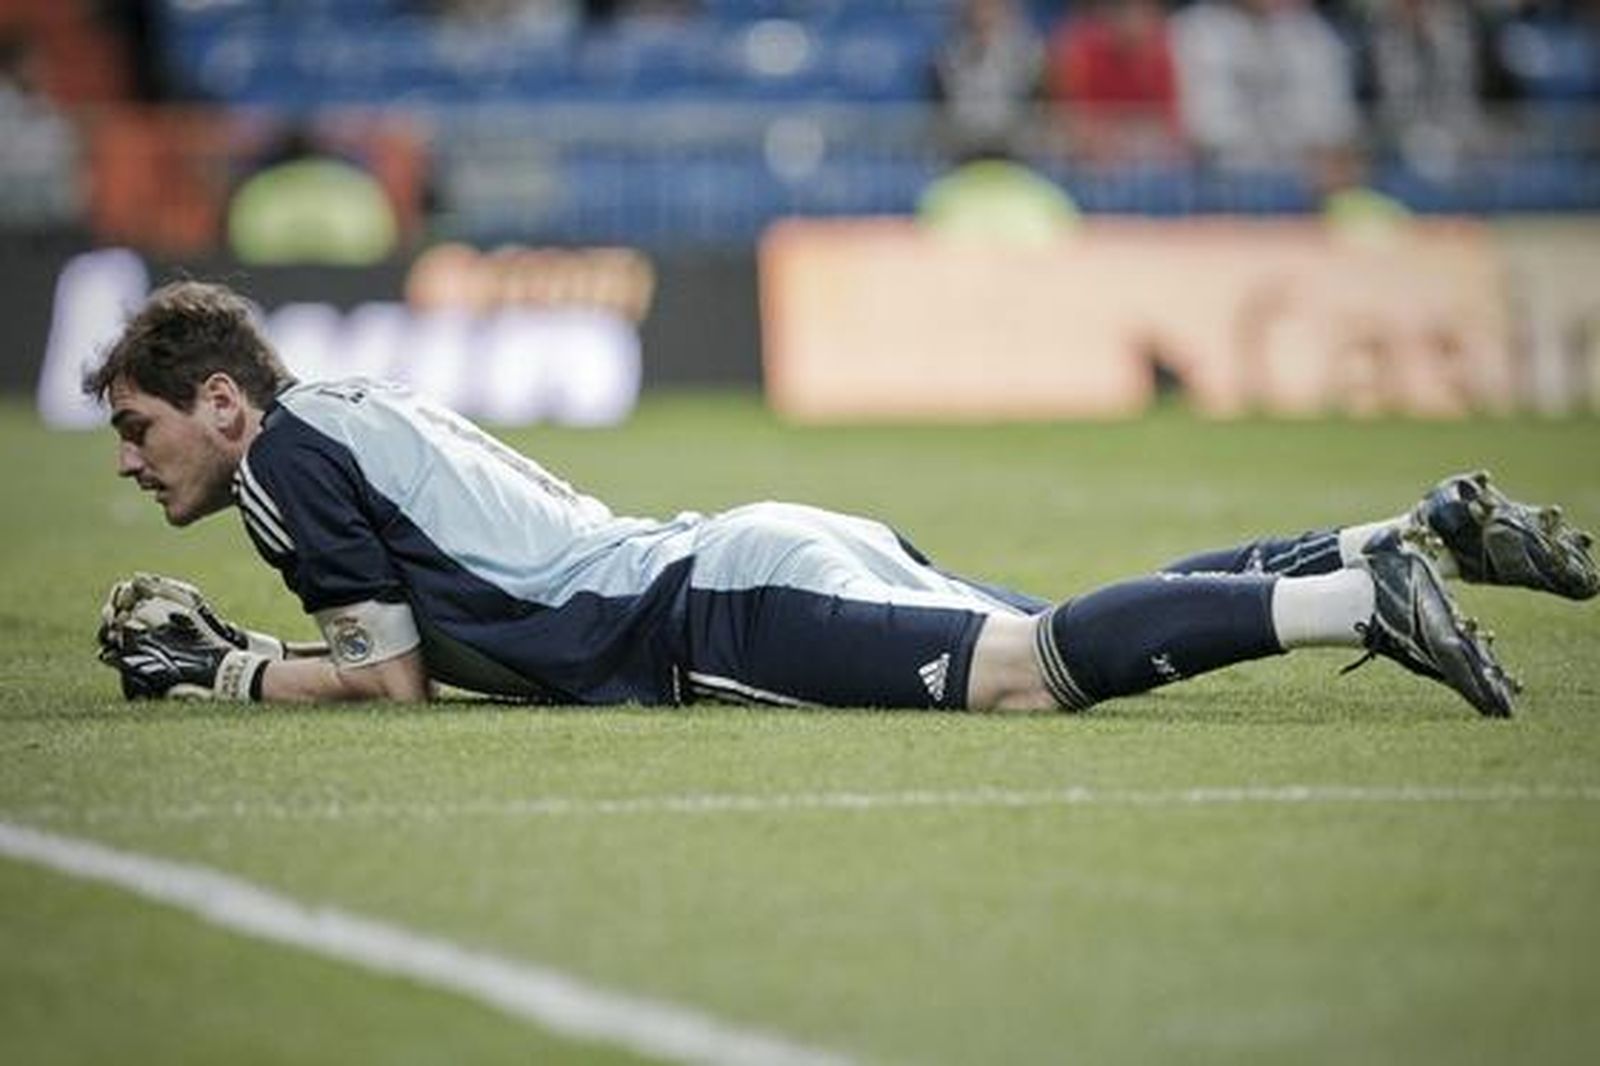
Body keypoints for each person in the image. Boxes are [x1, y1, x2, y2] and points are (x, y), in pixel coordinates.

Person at [87, 282, 1597, 716]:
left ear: (223, 402)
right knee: (1060, 622)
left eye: (143, 424)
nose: (130, 457)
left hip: (709, 605)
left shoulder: (283, 459)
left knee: (1029, 672)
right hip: (740, 555)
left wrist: (225, 669)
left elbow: (390, 679)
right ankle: (1406, 536)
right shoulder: (343, 409)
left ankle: (1355, 593)